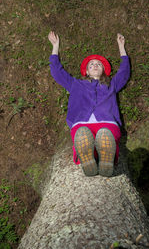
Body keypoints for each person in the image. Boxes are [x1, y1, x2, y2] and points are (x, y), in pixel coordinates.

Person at [48, 31, 130, 177]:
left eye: (98, 64)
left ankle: (106, 159)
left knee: (105, 134)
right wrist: (55, 46)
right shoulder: (76, 84)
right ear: (86, 71)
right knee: (82, 134)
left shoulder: (111, 84)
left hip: (107, 123)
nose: (95, 65)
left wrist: (121, 47)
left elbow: (124, 72)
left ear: (104, 70)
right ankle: (88, 158)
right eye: (91, 64)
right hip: (82, 124)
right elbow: (57, 72)